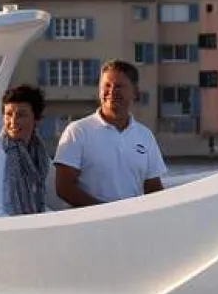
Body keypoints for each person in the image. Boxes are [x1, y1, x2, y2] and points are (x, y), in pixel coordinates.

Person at [54, 60, 167, 208]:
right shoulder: (78, 131)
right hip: (90, 226)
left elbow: (153, 188)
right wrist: (105, 213)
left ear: (135, 92)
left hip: (131, 225)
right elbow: (64, 188)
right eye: (107, 85)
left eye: (119, 86)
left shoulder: (145, 136)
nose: (112, 91)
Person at [0, 84, 50, 217]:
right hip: (10, 231)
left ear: (37, 119)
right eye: (8, 114)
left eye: (21, 115)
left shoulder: (38, 152)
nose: (13, 121)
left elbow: (39, 203)